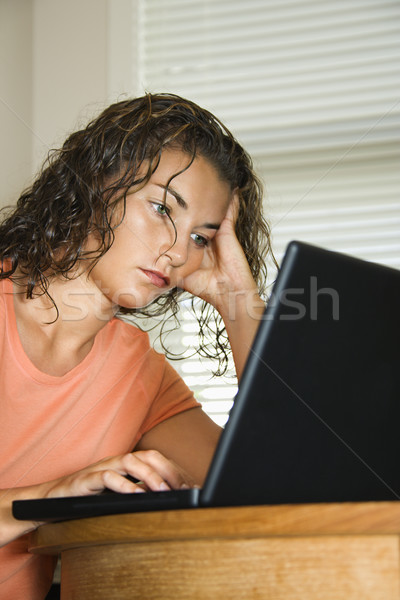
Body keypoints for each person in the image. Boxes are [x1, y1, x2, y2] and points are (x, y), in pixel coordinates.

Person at [0, 93, 274, 599]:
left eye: (201, 238)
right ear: (92, 185)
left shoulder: (141, 375)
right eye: (162, 209)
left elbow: (268, 486)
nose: (176, 253)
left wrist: (238, 300)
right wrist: (46, 497)